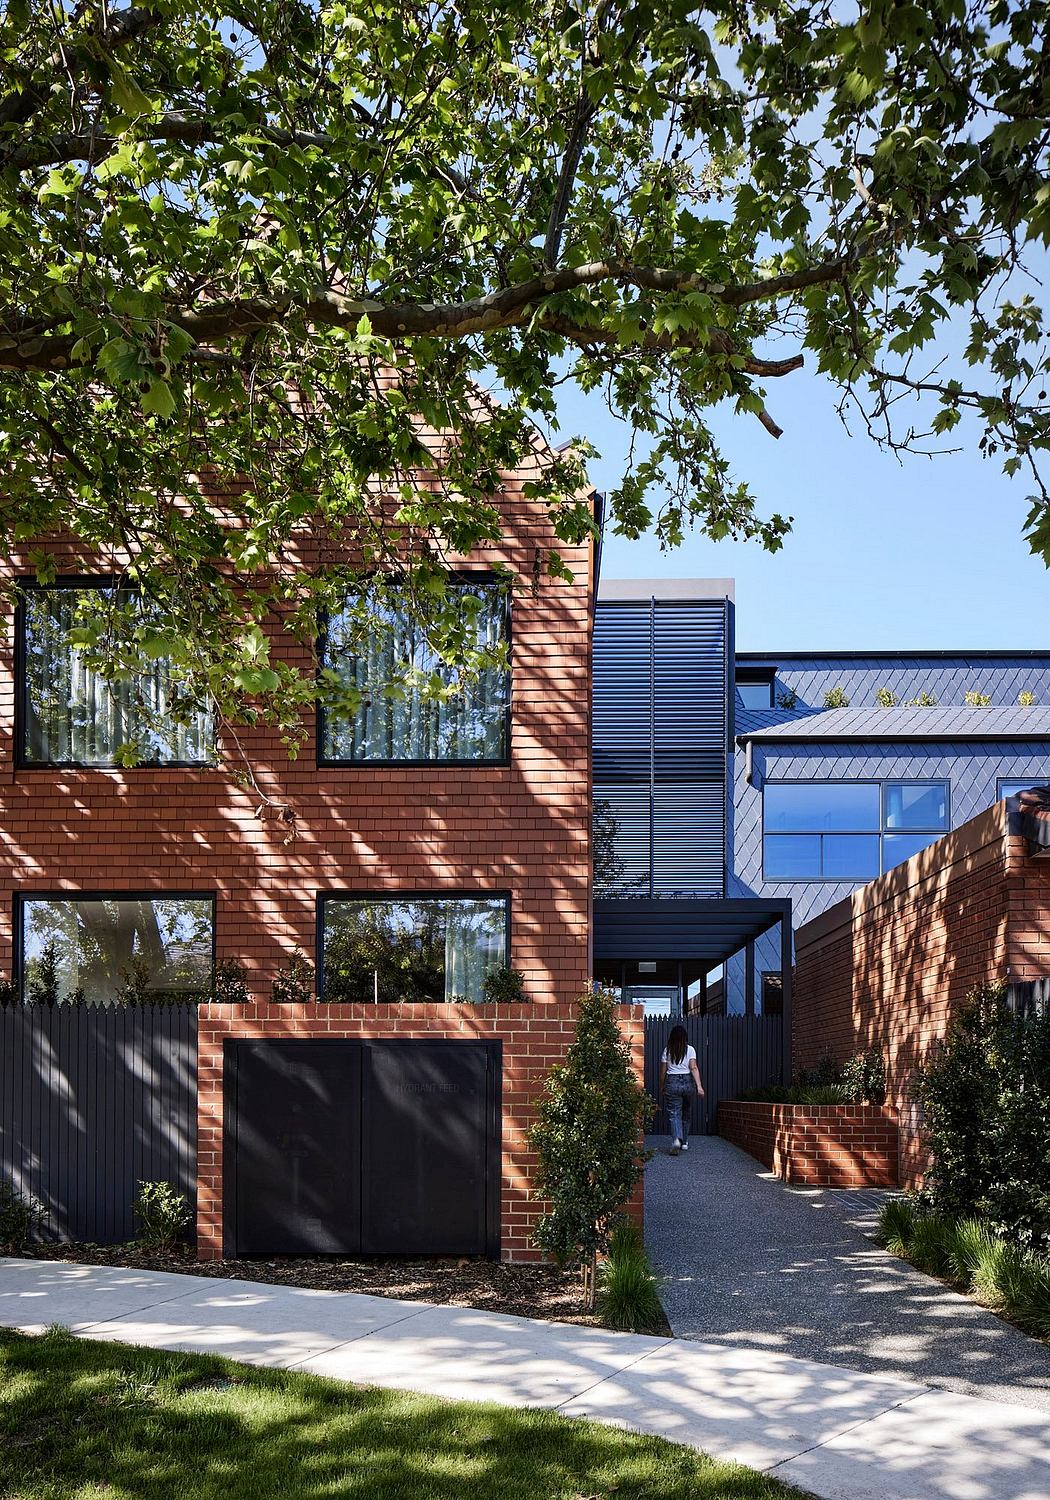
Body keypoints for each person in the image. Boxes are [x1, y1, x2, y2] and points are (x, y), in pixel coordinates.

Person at [659, 1024, 704, 1156]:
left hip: (672, 1083)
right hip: (688, 1083)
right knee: (686, 1112)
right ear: (685, 1037)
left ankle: (676, 1140)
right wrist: (699, 1086)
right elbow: (693, 1067)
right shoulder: (690, 1049)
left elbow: (663, 1071)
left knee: (674, 1113)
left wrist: (662, 1085)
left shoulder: (667, 1050)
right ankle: (684, 1142)